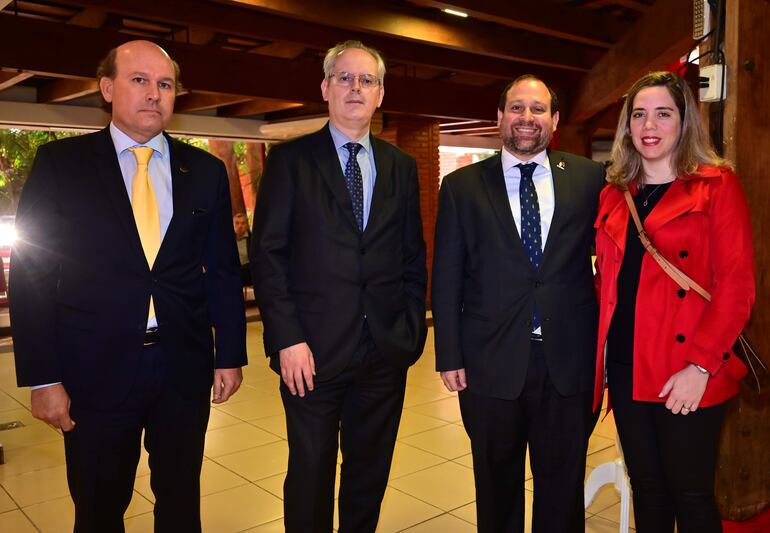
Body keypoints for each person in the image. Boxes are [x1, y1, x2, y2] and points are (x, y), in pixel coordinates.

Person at [9, 40, 247, 533]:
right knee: (99, 507)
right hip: (93, 370)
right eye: (139, 80)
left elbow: (222, 269)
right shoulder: (62, 165)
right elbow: (31, 275)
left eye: (164, 84)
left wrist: (230, 354)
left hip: (183, 365)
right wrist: (43, 377)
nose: (154, 94)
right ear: (107, 87)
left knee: (181, 504)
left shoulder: (203, 171)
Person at [250, 40, 427, 533]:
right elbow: (268, 256)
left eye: (366, 80)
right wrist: (286, 338)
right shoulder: (290, 162)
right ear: (325, 88)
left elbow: (411, 255)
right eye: (345, 78)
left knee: (369, 474)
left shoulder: (400, 166)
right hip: (311, 353)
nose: (356, 88)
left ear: (380, 93)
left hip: (384, 351)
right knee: (310, 472)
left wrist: (410, 329)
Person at [432, 74, 605, 533]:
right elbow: (446, 277)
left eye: (537, 109)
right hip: (489, 364)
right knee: (496, 484)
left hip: (568, 363)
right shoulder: (462, 187)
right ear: (498, 117)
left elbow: (609, 264)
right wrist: (448, 354)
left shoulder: (589, 179)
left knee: (563, 488)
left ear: (555, 120)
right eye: (516, 108)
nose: (526, 118)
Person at [593, 71, 754, 533]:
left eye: (663, 114)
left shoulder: (716, 186)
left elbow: (737, 287)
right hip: (625, 367)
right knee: (647, 489)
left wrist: (700, 367)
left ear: (684, 123)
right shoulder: (614, 193)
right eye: (639, 114)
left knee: (691, 493)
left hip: (687, 366)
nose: (650, 124)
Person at [233, 212, 252, 287]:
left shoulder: (252, 239)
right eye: (237, 223)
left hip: (247, 273)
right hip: (232, 274)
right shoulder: (227, 240)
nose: (240, 226)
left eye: (243, 223)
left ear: (247, 225)